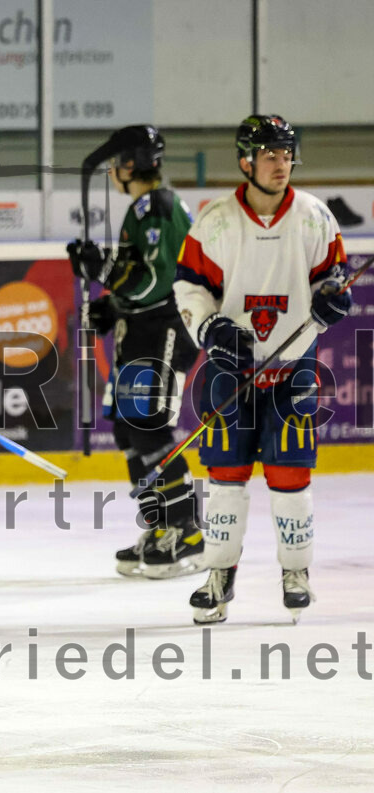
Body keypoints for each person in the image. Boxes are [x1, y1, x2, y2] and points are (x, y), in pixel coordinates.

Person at [174, 114, 350, 624]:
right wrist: (209, 330)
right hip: (231, 371)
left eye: (287, 152)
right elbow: (189, 287)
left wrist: (332, 303)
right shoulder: (215, 222)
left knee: (290, 473)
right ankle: (219, 576)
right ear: (245, 160)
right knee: (226, 477)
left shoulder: (316, 218)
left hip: (294, 367)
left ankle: (296, 573)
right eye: (271, 154)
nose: (282, 163)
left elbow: (332, 284)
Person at [66, 126, 204, 579]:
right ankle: (158, 524)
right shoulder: (140, 212)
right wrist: (111, 303)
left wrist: (101, 270)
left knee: (149, 429)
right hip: (140, 329)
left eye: (116, 162)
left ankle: (186, 532)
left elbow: (156, 280)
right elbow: (135, 273)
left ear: (131, 164)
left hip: (165, 329)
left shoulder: (160, 208)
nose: (111, 171)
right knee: (128, 432)